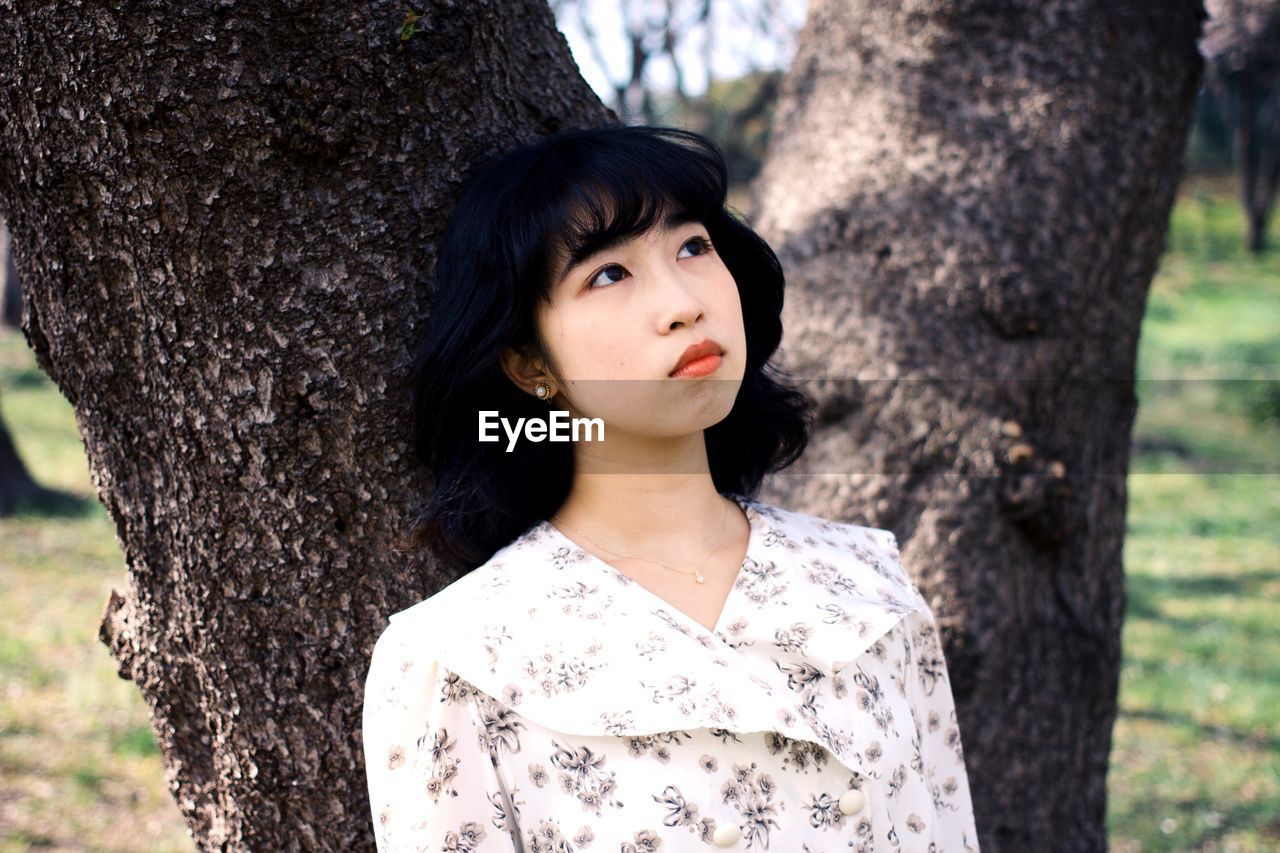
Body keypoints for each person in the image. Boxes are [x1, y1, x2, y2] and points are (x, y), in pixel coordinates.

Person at [363, 124, 980, 852]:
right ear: (532, 365)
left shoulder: (867, 582)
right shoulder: (458, 658)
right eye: (608, 274)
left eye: (693, 246)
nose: (684, 302)